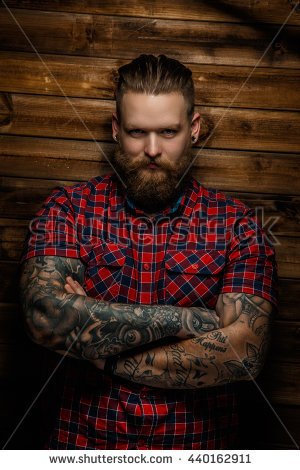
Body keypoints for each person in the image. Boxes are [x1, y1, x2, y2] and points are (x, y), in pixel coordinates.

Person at [19, 54, 278, 450]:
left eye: (168, 132)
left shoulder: (239, 225)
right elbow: (45, 318)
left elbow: (245, 352)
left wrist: (97, 350)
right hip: (81, 446)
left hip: (195, 448)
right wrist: (198, 322)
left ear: (193, 130)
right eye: (137, 131)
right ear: (115, 129)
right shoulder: (66, 210)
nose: (152, 149)